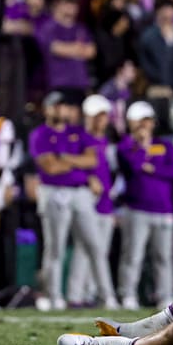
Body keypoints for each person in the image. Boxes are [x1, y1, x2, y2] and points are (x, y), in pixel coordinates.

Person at [30, 91, 113, 311]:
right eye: (55, 106)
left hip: (80, 193)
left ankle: (107, 295)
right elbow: (50, 167)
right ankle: (54, 296)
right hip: (53, 192)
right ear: (46, 109)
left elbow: (92, 160)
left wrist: (65, 159)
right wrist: (76, 164)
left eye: (63, 106)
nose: (60, 110)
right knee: (55, 248)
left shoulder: (76, 132)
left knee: (95, 245)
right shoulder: (40, 134)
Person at [115, 101, 173, 310]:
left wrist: (151, 167)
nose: (144, 125)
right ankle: (128, 294)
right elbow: (134, 167)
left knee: (164, 256)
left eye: (147, 121)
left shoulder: (165, 145)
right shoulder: (125, 146)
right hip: (137, 208)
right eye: (140, 121)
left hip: (164, 208)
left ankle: (165, 295)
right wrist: (143, 149)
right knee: (133, 255)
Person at [66, 94, 119, 308]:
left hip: (105, 203)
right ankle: (83, 295)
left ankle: (86, 293)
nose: (100, 120)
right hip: (86, 200)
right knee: (88, 248)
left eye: (103, 116)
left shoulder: (108, 142)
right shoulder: (79, 139)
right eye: (96, 116)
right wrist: (87, 178)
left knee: (96, 250)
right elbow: (68, 167)